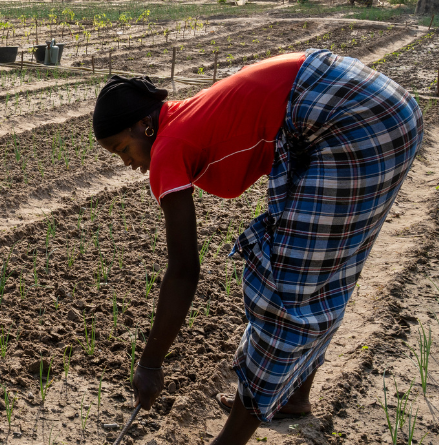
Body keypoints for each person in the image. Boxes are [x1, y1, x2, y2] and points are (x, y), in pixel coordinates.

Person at [93, 50, 422, 445]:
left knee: (290, 288)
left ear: (145, 125)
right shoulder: (181, 120)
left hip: (354, 116)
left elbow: (183, 269)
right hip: (365, 105)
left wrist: (149, 364)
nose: (126, 162)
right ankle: (293, 397)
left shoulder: (167, 147)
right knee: (315, 267)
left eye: (121, 149)